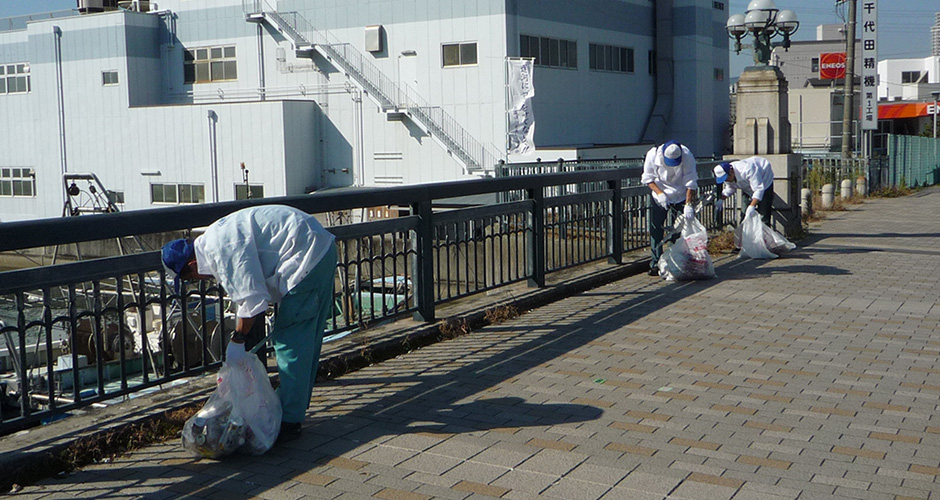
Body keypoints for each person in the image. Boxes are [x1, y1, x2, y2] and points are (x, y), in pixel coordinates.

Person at [161, 204, 337, 443]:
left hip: (304, 259)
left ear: (191, 266)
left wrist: (237, 340)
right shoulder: (215, 238)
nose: (199, 281)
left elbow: (253, 298)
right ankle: (294, 410)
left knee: (289, 343)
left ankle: (289, 422)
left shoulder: (221, 251)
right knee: (307, 339)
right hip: (321, 248)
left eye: (191, 279)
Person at [641, 139, 699, 276]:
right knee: (656, 229)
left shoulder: (687, 155)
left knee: (678, 230)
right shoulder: (653, 155)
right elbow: (648, 178)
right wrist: (660, 194)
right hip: (659, 195)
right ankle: (656, 262)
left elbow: (691, 182)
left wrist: (688, 205)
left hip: (680, 195)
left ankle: (675, 260)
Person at [713, 156, 775, 227]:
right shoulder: (728, 177)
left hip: (764, 180)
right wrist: (721, 199)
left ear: (731, 171)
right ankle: (744, 235)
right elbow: (730, 188)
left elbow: (759, 189)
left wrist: (752, 206)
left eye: (726, 178)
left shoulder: (747, 169)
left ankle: (764, 236)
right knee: (744, 214)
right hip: (746, 187)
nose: (726, 181)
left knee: (763, 215)